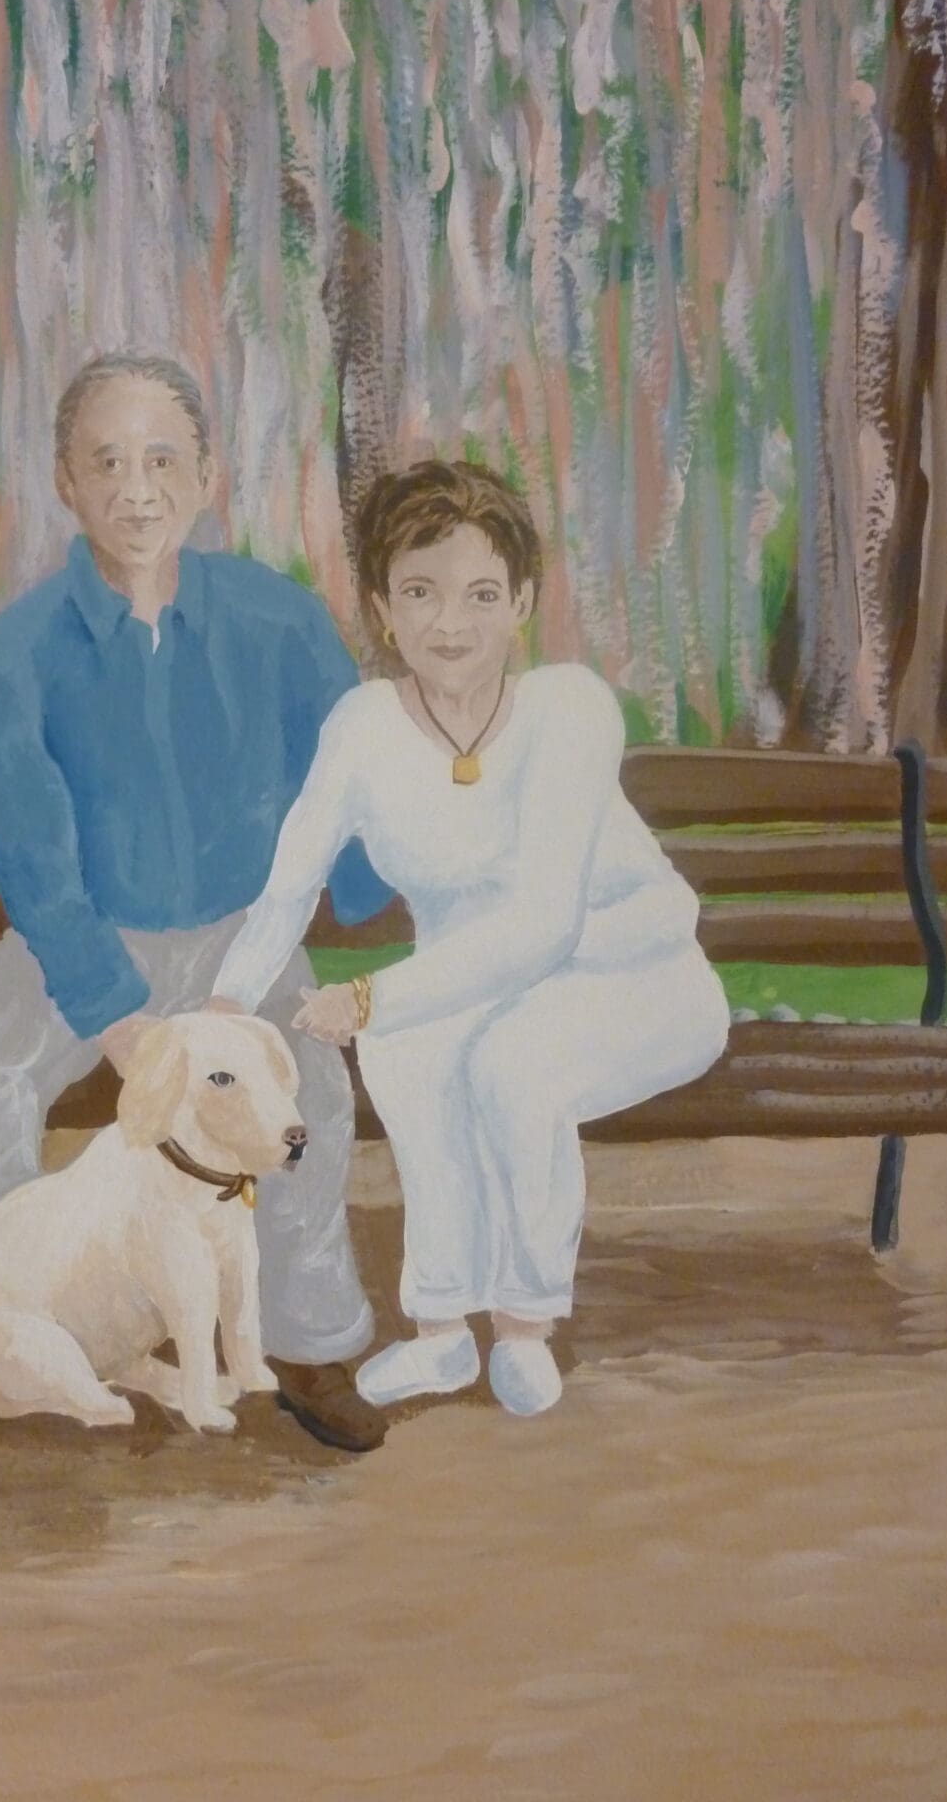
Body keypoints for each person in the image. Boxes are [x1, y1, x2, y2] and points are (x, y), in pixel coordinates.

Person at [0, 352, 396, 1453]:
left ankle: (310, 1341)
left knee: (309, 1089)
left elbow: (350, 778)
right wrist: (114, 1014)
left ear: (210, 473)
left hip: (240, 939)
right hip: (83, 934)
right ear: (65, 482)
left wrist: (383, 889)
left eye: (163, 460)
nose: (138, 490)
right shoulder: (14, 655)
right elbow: (34, 861)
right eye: (108, 462)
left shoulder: (277, 622)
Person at [212, 459, 730, 1417]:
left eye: (480, 594)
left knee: (509, 1068)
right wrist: (225, 1010)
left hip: (636, 978)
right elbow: (289, 886)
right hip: (477, 986)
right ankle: (443, 1331)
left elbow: (541, 925)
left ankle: (527, 1325)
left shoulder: (568, 710)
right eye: (421, 593)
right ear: (383, 604)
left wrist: (370, 996)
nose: (451, 625)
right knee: (408, 1051)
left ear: (522, 601)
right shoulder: (363, 727)